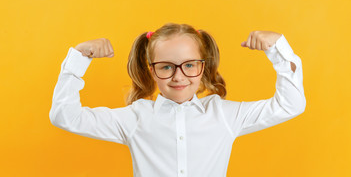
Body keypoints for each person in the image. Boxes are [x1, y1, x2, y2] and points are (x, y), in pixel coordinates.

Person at [49, 23, 306, 177]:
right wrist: (79, 59)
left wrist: (279, 50)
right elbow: (65, 116)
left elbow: (290, 105)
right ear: (152, 70)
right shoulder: (136, 118)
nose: (179, 76)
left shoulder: (224, 115)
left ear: (203, 67)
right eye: (166, 67)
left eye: (189, 65)